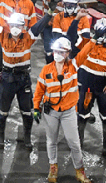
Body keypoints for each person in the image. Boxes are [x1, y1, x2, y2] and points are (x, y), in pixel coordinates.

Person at [34, 37, 92, 183]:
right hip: (51, 112)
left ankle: (80, 172)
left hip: (68, 112)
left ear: (67, 53)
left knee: (74, 143)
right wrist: (36, 107)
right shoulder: (46, 70)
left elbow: (85, 52)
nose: (57, 54)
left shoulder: (73, 66)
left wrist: (94, 39)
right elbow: (39, 91)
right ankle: (53, 169)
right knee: (51, 141)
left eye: (61, 51)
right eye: (55, 51)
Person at [0, 11, 51, 149]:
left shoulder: (28, 37)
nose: (15, 28)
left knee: (27, 111)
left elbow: (39, 26)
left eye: (18, 26)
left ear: (23, 27)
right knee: (3, 111)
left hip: (23, 79)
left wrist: (49, 14)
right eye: (12, 25)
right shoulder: (2, 35)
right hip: (7, 79)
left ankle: (27, 138)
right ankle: (1, 137)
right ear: (9, 25)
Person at [72, 18, 106, 157]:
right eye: (98, 33)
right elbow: (78, 56)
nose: (101, 36)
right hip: (87, 89)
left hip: (103, 89)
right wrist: (93, 39)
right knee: (82, 115)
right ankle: (79, 145)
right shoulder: (88, 45)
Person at [48, 0, 91, 64]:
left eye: (72, 4)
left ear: (77, 5)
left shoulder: (83, 18)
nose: (69, 7)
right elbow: (57, 37)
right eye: (67, 4)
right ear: (64, 4)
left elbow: (85, 39)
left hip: (77, 52)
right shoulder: (58, 17)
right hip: (62, 51)